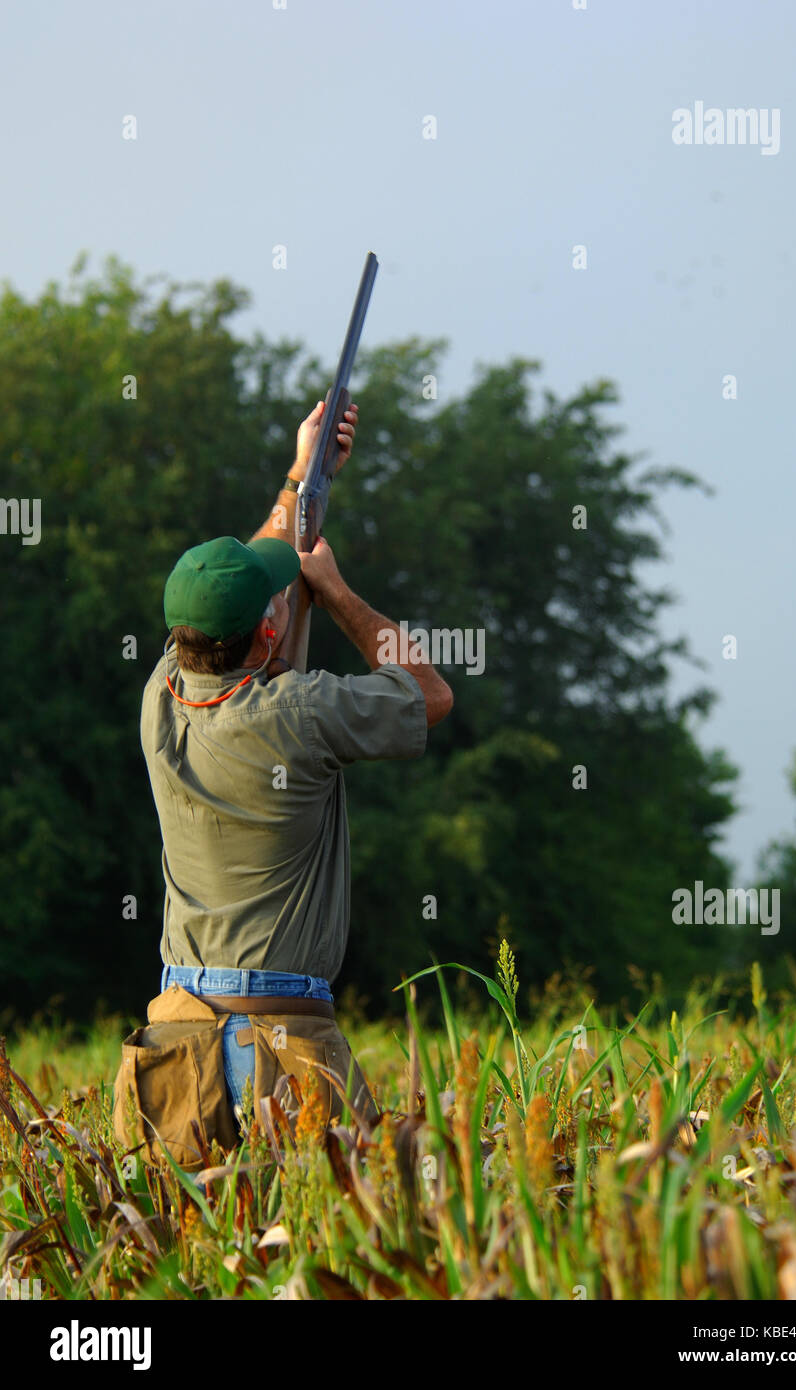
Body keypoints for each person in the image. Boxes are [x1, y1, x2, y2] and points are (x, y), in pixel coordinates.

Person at [112, 401, 453, 1167]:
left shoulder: (160, 693)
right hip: (285, 1044)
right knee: (363, 1248)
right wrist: (334, 591)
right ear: (267, 633)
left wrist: (304, 471)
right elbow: (427, 693)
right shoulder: (298, 711)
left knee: (194, 1270)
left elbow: (248, 581)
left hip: (175, 1038)